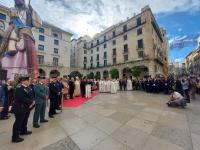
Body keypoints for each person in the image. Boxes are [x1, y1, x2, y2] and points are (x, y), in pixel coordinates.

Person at [0, 0, 42, 79]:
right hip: (14, 31)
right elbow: (14, 20)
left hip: (27, 34)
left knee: (30, 51)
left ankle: (28, 75)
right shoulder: (13, 9)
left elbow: (38, 24)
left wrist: (32, 11)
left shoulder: (29, 11)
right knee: (8, 47)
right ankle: (10, 75)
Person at [12, 76, 35, 143]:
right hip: (20, 108)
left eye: (29, 80)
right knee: (18, 123)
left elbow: (31, 95)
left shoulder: (28, 87)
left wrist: (32, 100)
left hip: (27, 107)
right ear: (23, 81)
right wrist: (31, 101)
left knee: (25, 120)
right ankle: (15, 137)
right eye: (27, 80)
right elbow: (21, 98)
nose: (29, 81)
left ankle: (23, 131)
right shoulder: (19, 88)